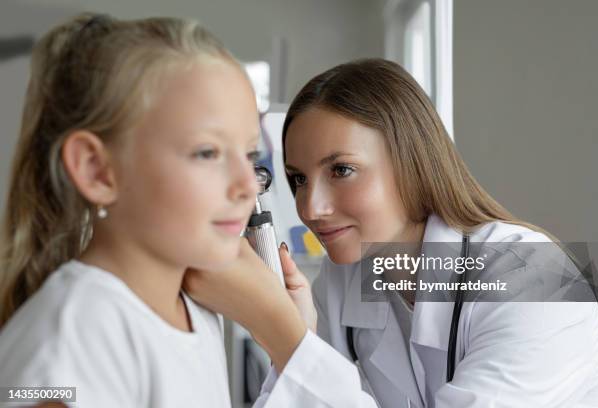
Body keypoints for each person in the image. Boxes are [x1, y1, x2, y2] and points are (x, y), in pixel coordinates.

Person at [187, 59, 598, 407]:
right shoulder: (348, 279)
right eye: (299, 179)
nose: (310, 209)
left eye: (342, 170)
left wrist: (285, 334)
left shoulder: (540, 280)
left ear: (413, 163)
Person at [0, 13, 369, 408]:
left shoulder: (191, 310)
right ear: (97, 170)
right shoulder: (72, 342)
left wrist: (286, 329)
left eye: (248, 156)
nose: (247, 185)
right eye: (207, 153)